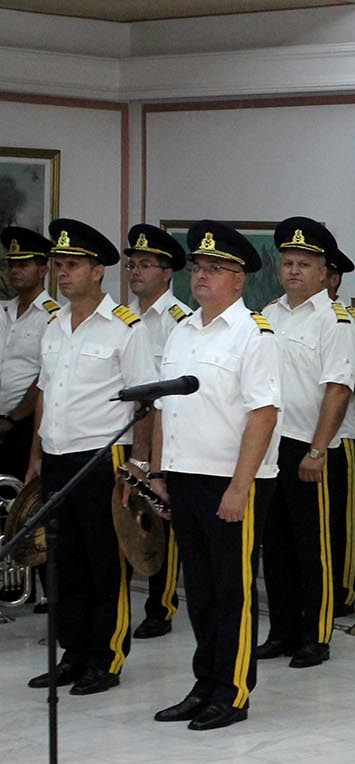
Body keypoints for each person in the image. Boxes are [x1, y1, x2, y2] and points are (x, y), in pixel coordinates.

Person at [149, 221, 281, 731]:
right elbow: (163, 407)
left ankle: (232, 690)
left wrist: (240, 487)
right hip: (185, 477)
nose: (202, 276)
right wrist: (159, 473)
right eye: (198, 267)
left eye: (215, 269)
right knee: (199, 591)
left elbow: (263, 415)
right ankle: (204, 683)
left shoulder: (254, 334)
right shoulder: (182, 329)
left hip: (231, 481)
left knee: (232, 591)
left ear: (238, 279)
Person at [26, 219, 154, 695]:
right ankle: (74, 652)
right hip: (58, 455)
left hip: (102, 457)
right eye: (59, 265)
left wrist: (139, 464)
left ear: (98, 271)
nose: (63, 273)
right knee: (63, 562)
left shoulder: (126, 328)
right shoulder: (54, 324)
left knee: (105, 561)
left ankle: (106, 656)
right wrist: (36, 455)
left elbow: (145, 402)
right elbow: (45, 392)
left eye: (73, 265)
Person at [256, 218, 355, 670]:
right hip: (270, 446)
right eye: (288, 263)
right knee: (274, 545)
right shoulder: (269, 314)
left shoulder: (333, 321)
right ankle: (281, 631)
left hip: (309, 448)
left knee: (313, 547)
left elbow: (338, 389)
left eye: (304, 264)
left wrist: (317, 450)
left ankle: (316, 635)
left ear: (323, 272)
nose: (294, 271)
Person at [123, 223, 191, 640]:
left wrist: (152, 458)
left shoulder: (179, 321)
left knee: (160, 521)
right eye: (133, 264)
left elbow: (168, 396)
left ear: (167, 273)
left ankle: (161, 606)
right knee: (127, 519)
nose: (136, 271)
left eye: (146, 264)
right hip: (126, 432)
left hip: (165, 435)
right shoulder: (123, 318)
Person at [323, 248, 355, 617]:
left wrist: (328, 384)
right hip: (300, 434)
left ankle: (344, 589)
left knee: (341, 516)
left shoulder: (352, 323)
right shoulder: (278, 316)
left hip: (344, 434)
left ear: (334, 279)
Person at [0, 227, 57, 481]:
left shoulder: (52, 317)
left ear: (43, 270)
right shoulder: (3, 312)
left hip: (25, 425)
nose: (15, 271)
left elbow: (45, 377)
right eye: (11, 265)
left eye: (23, 265)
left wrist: (12, 419)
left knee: (18, 495)